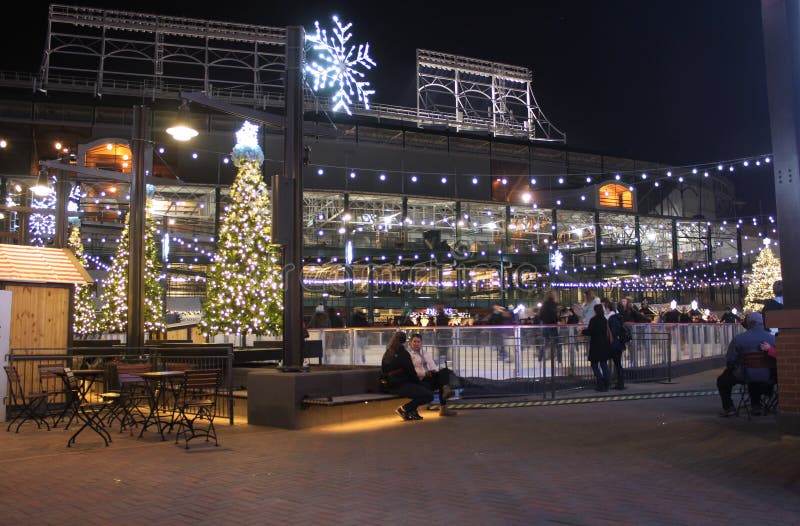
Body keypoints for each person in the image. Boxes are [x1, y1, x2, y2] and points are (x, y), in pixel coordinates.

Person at [716, 312, 776, 417]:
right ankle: (756, 406)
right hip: (768, 376)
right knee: (756, 376)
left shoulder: (739, 339)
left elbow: (730, 359)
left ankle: (729, 408)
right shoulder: (772, 339)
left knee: (722, 380)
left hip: (745, 375)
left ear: (748, 324)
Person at [381, 332, 434, 421]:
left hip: (390, 383)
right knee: (428, 395)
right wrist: (418, 383)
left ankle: (412, 411)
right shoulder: (403, 354)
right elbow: (411, 372)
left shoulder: (388, 352)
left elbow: (384, 369)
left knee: (425, 388)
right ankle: (404, 409)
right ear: (405, 342)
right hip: (400, 384)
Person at [407, 333, 458, 416]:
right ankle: (443, 407)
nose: (416, 344)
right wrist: (425, 373)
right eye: (414, 341)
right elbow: (411, 371)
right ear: (410, 343)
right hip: (421, 379)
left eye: (418, 342)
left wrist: (434, 371)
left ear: (421, 343)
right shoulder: (408, 355)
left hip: (431, 376)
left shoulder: (425, 353)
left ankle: (445, 390)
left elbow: (433, 365)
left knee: (445, 371)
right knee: (443, 381)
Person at [582, 304, 612, 391]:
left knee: (594, 365)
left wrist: (582, 331)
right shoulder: (604, 320)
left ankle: (600, 381)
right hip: (604, 345)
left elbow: (590, 331)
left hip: (595, 345)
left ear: (595, 311)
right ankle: (607, 382)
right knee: (603, 364)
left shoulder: (593, 320)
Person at [606, 302, 628, 390]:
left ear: (608, 308)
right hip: (619, 343)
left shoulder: (612, 318)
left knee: (617, 364)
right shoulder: (618, 317)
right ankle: (620, 382)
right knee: (618, 364)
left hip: (615, 344)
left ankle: (620, 383)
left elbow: (614, 331)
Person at [539, 290, 560, 362]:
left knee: (545, 342)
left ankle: (540, 358)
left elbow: (540, 316)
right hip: (552, 325)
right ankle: (559, 359)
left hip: (545, 325)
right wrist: (557, 319)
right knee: (557, 342)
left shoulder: (544, 305)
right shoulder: (554, 304)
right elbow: (554, 314)